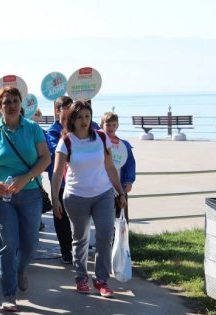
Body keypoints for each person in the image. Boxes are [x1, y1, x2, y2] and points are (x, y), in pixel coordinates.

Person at [0, 86, 51, 312]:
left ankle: (20, 269)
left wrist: (25, 178)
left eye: (15, 100)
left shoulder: (33, 129)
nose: (11, 105)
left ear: (21, 104)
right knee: (7, 243)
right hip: (1, 197)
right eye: (6, 102)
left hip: (30, 193)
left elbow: (45, 158)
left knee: (30, 243)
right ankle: (9, 294)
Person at [50, 100, 127, 298]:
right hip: (76, 196)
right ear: (72, 120)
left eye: (87, 116)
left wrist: (120, 191)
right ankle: (81, 277)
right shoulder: (66, 142)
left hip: (103, 194)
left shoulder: (101, 137)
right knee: (80, 239)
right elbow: (57, 173)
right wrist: (55, 200)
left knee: (104, 236)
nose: (84, 121)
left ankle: (101, 279)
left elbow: (110, 167)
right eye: (79, 117)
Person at [45, 96, 75, 264]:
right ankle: (66, 250)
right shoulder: (52, 131)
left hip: (79, 183)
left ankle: (76, 248)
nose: (70, 111)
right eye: (66, 107)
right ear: (58, 110)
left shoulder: (79, 127)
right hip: (61, 183)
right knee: (61, 217)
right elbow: (57, 153)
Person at [100, 112, 136, 222]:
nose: (111, 128)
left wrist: (129, 181)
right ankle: (106, 239)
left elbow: (130, 164)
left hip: (120, 188)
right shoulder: (97, 144)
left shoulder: (124, 145)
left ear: (117, 126)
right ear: (102, 126)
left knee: (121, 218)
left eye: (114, 125)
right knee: (104, 218)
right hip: (102, 188)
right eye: (108, 125)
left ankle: (121, 239)